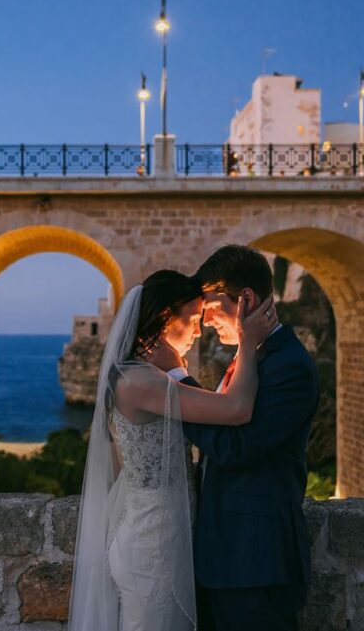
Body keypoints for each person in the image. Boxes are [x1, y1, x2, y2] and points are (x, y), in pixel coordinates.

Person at [69, 269, 277, 631]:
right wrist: (247, 342)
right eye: (194, 320)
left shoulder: (141, 375)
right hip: (153, 544)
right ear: (166, 317)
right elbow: (236, 410)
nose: (198, 332)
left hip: (154, 531)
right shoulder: (141, 382)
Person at [170, 245, 320, 631]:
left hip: (256, 563)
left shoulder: (290, 368)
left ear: (246, 299)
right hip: (227, 557)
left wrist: (174, 386)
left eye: (210, 306)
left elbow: (235, 448)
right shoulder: (253, 357)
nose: (203, 321)